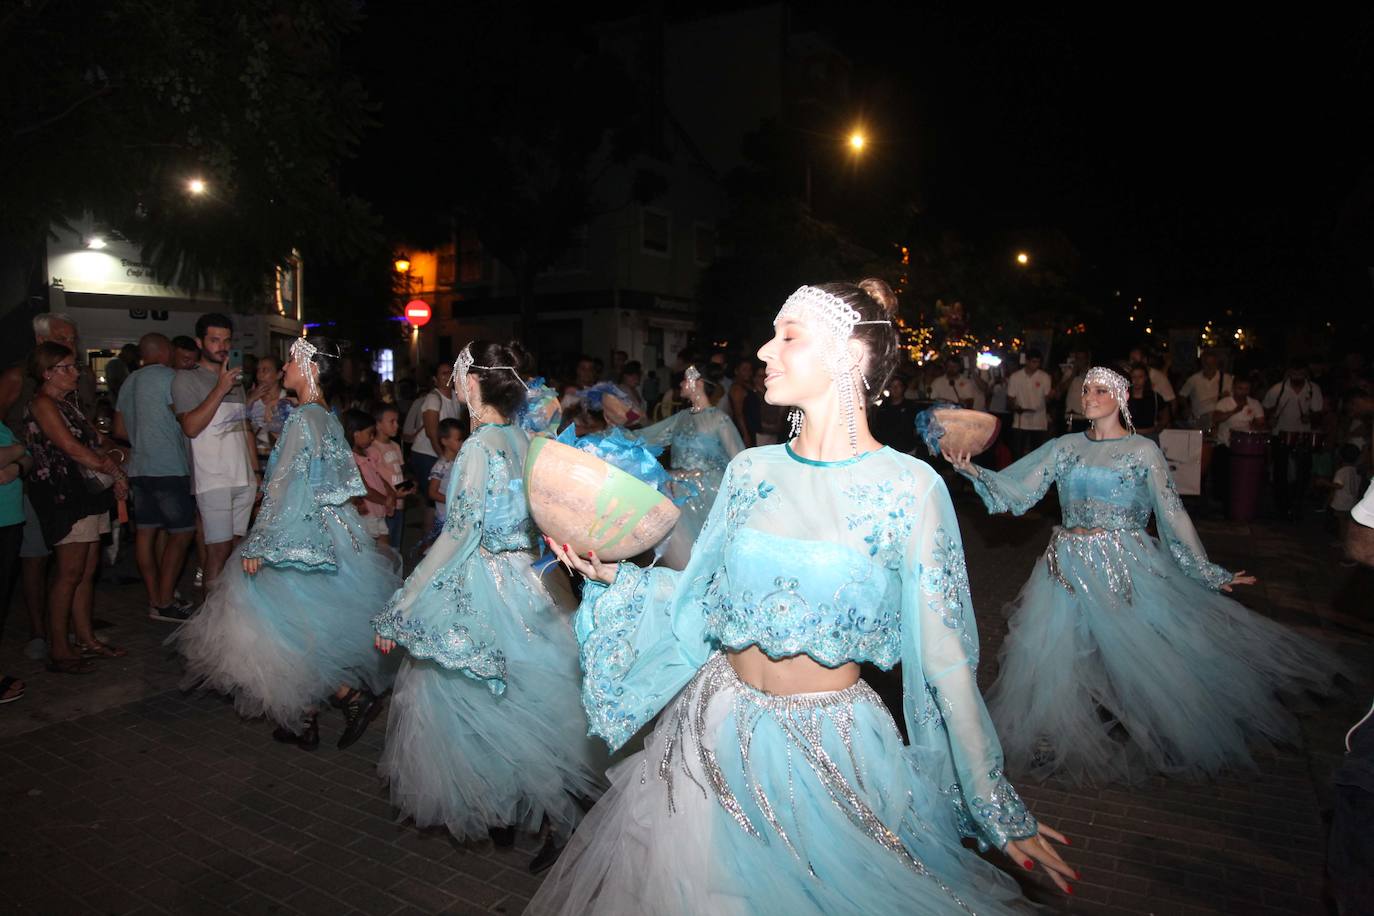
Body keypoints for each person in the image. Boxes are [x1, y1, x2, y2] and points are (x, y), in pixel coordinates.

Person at [534, 281, 1074, 915]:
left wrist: (990, 794)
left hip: (828, 752)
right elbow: (698, 606)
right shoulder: (750, 471)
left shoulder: (909, 489)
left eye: (787, 336)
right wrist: (615, 581)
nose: (764, 351)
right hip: (710, 734)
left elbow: (946, 660)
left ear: (848, 355)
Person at [944, 366, 1350, 784]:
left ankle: (1168, 724)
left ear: (1119, 398)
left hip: (1122, 561)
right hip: (1065, 560)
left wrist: (1205, 570)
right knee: (1055, 649)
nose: (1089, 397)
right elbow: (1020, 488)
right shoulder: (1065, 447)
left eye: (1100, 390)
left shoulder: (1142, 451)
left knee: (1137, 651)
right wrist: (973, 471)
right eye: (1085, 390)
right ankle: (1053, 732)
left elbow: (1171, 512)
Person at [373, 341, 605, 873]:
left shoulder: (479, 448)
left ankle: (542, 813)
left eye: (458, 375)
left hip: (488, 581)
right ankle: (513, 809)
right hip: (531, 580)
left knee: (489, 702)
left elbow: (459, 535)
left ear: (472, 383)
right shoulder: (524, 437)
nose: (455, 384)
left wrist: (405, 599)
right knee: (529, 700)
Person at [170, 338, 400, 749]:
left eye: (291, 362)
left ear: (310, 369)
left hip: (297, 534)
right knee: (302, 627)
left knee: (279, 632)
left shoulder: (303, 419)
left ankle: (347, 696)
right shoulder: (326, 416)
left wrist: (261, 543)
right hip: (327, 532)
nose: (283, 369)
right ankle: (303, 719)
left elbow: (284, 488)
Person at [25, 343, 129, 674]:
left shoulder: (68, 404)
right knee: (69, 572)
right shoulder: (43, 404)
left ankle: (85, 638)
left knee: (86, 570)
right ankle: (60, 647)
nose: (75, 373)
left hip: (87, 492)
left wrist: (115, 457)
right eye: (67, 368)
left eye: (75, 367)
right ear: (47, 373)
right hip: (64, 495)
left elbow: (100, 441)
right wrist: (113, 469)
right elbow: (71, 447)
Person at [1, 313, 85, 661]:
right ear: (40, 341)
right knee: (34, 558)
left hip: (68, 482)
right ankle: (39, 631)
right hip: (30, 484)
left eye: (72, 338)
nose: (70, 344)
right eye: (63, 338)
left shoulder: (72, 376)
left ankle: (69, 631)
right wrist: (18, 456)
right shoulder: (17, 377)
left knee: (73, 562)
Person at [113, 334, 196, 623]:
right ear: (165, 351)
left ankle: (156, 597)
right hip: (169, 466)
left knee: (147, 534)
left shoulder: (129, 381)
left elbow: (119, 430)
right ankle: (164, 601)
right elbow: (187, 419)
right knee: (183, 532)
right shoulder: (170, 378)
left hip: (139, 468)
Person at [627, 364, 745, 570]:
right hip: (677, 490)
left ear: (697, 383)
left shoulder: (719, 419)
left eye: (684, 379)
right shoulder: (681, 417)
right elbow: (647, 436)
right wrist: (612, 436)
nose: (681, 384)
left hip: (708, 491)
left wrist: (698, 476)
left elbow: (739, 461)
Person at [171, 314, 259, 588]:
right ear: (200, 342)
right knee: (217, 553)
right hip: (213, 479)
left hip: (242, 478)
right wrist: (220, 389)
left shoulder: (237, 381)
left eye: (226, 340)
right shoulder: (185, 380)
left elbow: (243, 428)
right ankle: (209, 626)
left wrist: (256, 475)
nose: (222, 346)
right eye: (214, 340)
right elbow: (191, 427)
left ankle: (229, 619)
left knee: (236, 553)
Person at [1264, 360, 1324, 521]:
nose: (1297, 376)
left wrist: (1309, 417)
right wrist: (1271, 418)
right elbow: (1266, 409)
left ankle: (1297, 504)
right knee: (1280, 472)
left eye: (1301, 373)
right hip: (1280, 434)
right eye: (1294, 373)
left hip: (1303, 435)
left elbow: (1319, 412)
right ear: (1289, 372)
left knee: (1303, 472)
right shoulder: (1278, 389)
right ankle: (1281, 506)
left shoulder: (1313, 389)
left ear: (1305, 373)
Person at [409, 362, 462, 539]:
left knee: (437, 500)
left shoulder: (456, 396)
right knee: (433, 500)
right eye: (443, 373)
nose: (448, 376)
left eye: (450, 372)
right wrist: (445, 459)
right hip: (427, 453)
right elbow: (432, 433)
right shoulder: (433, 398)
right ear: (435, 378)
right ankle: (428, 542)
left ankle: (433, 540)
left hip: (446, 452)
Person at [0, 416, 33, 702]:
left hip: (8, 520)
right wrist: (18, 451)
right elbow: (23, 450)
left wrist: (19, 459)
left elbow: (29, 457)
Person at [342, 408, 398, 549]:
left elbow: (378, 476)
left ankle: (384, 571)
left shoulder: (369, 453)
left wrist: (390, 493)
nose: (372, 437)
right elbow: (363, 488)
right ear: (356, 434)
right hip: (367, 512)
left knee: (385, 547)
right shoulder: (351, 459)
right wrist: (386, 500)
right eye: (369, 434)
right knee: (370, 548)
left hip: (379, 509)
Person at [1210, 376, 1266, 514]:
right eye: (1240, 388)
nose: (1243, 392)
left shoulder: (1254, 404)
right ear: (1234, 388)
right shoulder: (1225, 402)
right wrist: (1234, 411)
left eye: (1246, 389)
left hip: (1246, 449)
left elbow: (1261, 423)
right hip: (1225, 444)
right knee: (1223, 478)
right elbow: (1216, 418)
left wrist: (1256, 425)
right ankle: (1223, 505)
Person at [420, 418, 465, 551]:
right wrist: (452, 499)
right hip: (446, 515)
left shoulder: (459, 461)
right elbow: (432, 492)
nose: (462, 443)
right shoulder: (441, 465)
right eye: (458, 439)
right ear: (445, 441)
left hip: (457, 512)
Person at [370, 404, 410, 551]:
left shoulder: (395, 446)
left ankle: (394, 571)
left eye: (397, 421)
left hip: (400, 503)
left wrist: (407, 486)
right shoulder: (373, 448)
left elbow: (397, 472)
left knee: (396, 543)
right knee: (385, 546)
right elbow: (376, 479)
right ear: (378, 424)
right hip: (385, 505)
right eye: (391, 422)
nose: (396, 426)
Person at [246, 355, 293, 464]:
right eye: (258, 370)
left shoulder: (287, 400)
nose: (260, 375)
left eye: (265, 370)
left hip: (280, 459)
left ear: (279, 374)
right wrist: (250, 400)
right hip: (255, 458)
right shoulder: (251, 397)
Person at [1007, 348, 1053, 457]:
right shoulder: (1016, 377)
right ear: (1027, 361)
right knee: (1018, 453)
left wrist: (1051, 396)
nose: (1036, 365)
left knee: (1036, 454)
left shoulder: (1044, 377)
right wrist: (1014, 406)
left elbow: (1048, 398)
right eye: (1033, 362)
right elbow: (1010, 398)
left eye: (1038, 362)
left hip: (1038, 421)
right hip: (1021, 420)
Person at [1179, 349, 1231, 430]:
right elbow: (1182, 395)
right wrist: (1187, 409)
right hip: (1198, 418)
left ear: (1216, 363)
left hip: (1219, 420)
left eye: (1212, 364)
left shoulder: (1226, 378)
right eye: (1207, 364)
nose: (1209, 367)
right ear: (1202, 364)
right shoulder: (1194, 379)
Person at [871, 373, 920, 453]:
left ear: (903, 388)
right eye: (892, 386)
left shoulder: (911, 406)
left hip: (906, 450)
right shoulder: (882, 407)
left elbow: (916, 429)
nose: (895, 388)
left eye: (898, 385)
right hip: (887, 451)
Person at [1126, 363, 1171, 442]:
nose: (1137, 380)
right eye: (1134, 377)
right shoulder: (1125, 397)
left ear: (1146, 378)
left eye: (1140, 377)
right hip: (1129, 436)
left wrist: (1158, 427)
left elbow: (1165, 415)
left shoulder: (1155, 397)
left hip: (1150, 436)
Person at [727, 357, 759, 447]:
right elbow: (738, 414)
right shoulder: (737, 389)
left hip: (751, 427)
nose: (748, 372)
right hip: (744, 429)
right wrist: (746, 435)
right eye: (744, 369)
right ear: (736, 371)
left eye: (750, 369)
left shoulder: (748, 386)